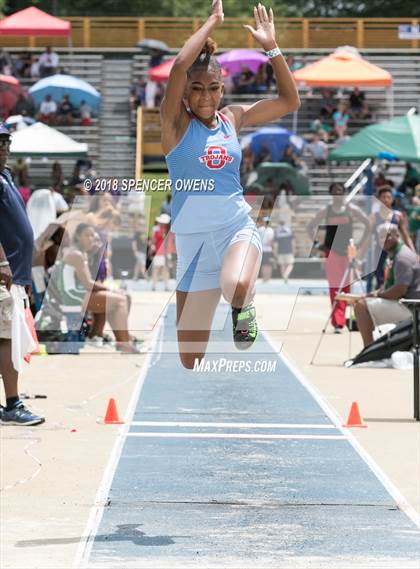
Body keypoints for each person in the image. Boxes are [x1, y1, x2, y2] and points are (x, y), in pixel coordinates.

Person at [160, 0, 300, 368]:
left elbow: (290, 100)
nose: (205, 97)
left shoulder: (232, 119)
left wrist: (272, 47)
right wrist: (213, 21)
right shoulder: (175, 126)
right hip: (192, 246)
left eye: (213, 88)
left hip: (235, 228)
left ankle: (244, 304)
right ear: (186, 93)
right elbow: (177, 68)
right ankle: (236, 299)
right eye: (197, 89)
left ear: (223, 89)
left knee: (235, 286)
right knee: (190, 359)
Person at [0, 124, 45, 425]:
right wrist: (3, 263)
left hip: (14, 274)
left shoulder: (6, 176)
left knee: (8, 336)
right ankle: (12, 404)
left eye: (6, 140)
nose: (4, 146)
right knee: (5, 338)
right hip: (4, 273)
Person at [56, 223, 140, 353]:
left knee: (121, 298)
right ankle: (124, 342)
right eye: (87, 235)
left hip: (77, 293)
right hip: (72, 295)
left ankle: (123, 341)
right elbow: (88, 283)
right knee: (120, 300)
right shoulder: (77, 254)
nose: (90, 239)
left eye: (92, 236)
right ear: (78, 236)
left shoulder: (81, 253)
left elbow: (90, 281)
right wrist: (111, 290)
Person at [307, 182, 370, 333]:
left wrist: (360, 244)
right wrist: (318, 245)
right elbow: (310, 226)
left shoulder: (351, 209)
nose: (338, 193)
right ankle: (338, 323)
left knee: (349, 288)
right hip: (332, 252)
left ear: (344, 193)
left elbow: (368, 224)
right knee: (335, 288)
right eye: (335, 191)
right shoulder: (326, 210)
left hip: (348, 251)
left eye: (340, 191)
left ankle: (355, 319)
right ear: (331, 193)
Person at [354, 224, 420, 347]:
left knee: (361, 307)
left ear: (397, 235)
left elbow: (399, 290)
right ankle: (379, 349)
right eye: (381, 237)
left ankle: (369, 352)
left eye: (388, 235)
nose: (384, 239)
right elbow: (390, 286)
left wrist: (377, 295)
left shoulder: (402, 257)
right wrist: (373, 294)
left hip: (412, 308)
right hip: (405, 303)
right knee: (365, 302)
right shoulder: (394, 254)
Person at [371, 185, 415, 287]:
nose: (386, 199)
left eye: (388, 197)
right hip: (380, 252)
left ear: (392, 199)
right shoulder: (374, 217)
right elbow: (368, 238)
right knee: (380, 281)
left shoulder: (398, 216)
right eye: (383, 197)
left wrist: (413, 252)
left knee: (396, 280)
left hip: (396, 253)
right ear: (379, 199)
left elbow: (406, 236)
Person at [274, 219, 295, 283]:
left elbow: (275, 244)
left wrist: (275, 252)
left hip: (280, 250)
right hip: (289, 250)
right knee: (290, 264)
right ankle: (286, 274)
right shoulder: (289, 230)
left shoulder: (277, 231)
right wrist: (294, 249)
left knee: (282, 265)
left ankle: (284, 276)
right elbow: (293, 242)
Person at [258, 216, 275, 282]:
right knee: (267, 265)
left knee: (264, 265)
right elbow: (270, 241)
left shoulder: (260, 229)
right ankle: (267, 278)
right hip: (267, 250)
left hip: (262, 249)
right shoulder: (270, 230)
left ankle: (265, 278)